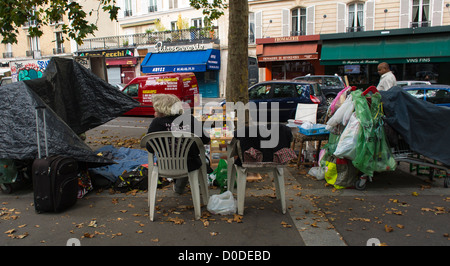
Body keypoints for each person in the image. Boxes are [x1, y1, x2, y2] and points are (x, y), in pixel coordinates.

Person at [146, 94, 210, 194]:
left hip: (165, 165)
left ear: (161, 108)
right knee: (191, 157)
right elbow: (205, 140)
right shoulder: (190, 119)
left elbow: (149, 147)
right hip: (190, 164)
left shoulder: (157, 123)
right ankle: (187, 186)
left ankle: (179, 187)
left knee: (177, 155)